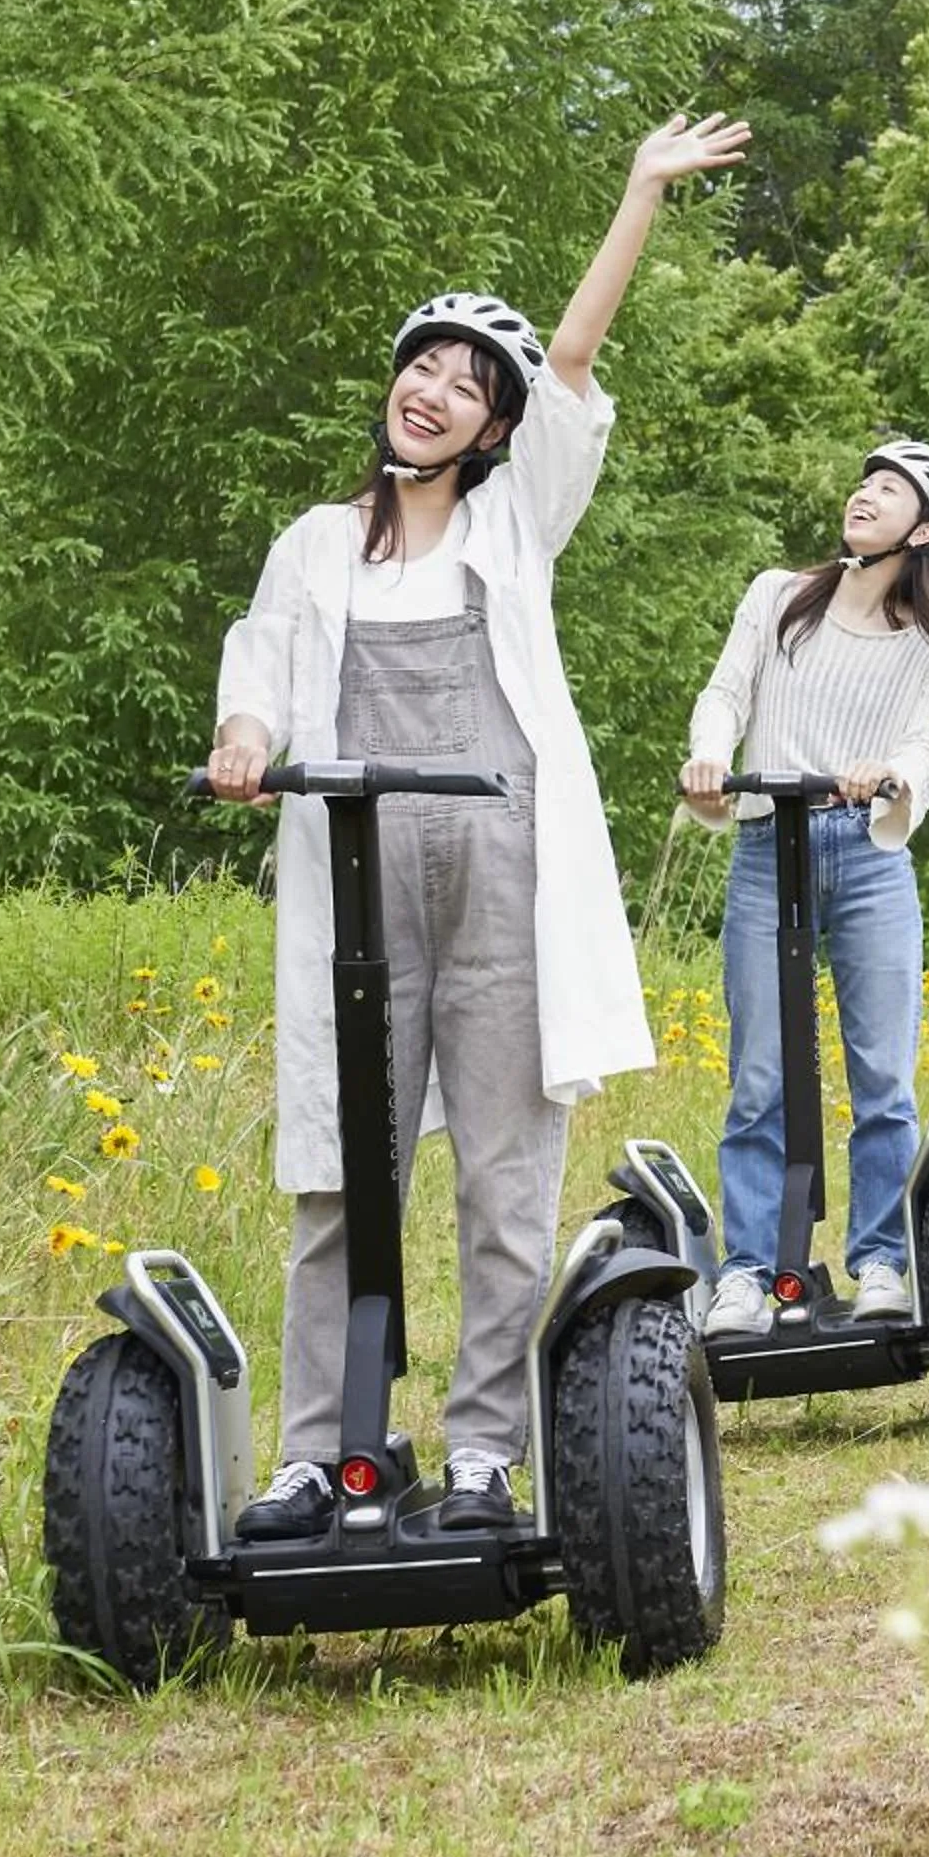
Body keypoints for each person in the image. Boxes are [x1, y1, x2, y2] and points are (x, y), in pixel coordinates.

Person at [207, 110, 749, 1538]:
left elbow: (573, 363)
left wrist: (638, 190)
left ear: (497, 428)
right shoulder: (315, 546)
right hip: (358, 884)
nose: (433, 391)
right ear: (391, 391)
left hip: (505, 884)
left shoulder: (515, 531)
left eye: (466, 383)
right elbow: (259, 673)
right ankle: (319, 1454)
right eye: (420, 367)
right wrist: (247, 744)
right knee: (344, 1172)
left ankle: (479, 1454)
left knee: (507, 1180)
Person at [680, 441, 929, 1337]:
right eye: (865, 482)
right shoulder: (779, 598)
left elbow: (924, 744)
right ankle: (749, 1275)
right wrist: (710, 755)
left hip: (868, 861)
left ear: (921, 530)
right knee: (760, 1075)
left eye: (889, 492)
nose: (864, 495)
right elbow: (728, 692)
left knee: (883, 1078)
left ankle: (882, 1262)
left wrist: (887, 772)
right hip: (770, 848)